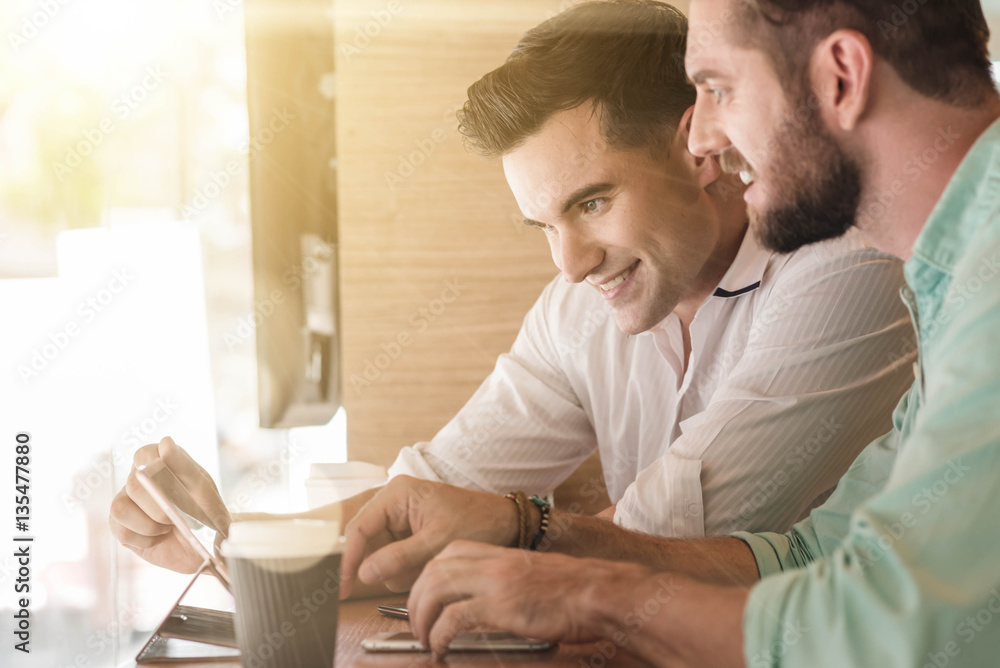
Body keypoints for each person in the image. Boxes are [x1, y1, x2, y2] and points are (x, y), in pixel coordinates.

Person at [110, 1, 914, 576]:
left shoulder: (846, 269)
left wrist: (503, 531)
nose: (569, 264)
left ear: (699, 147)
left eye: (591, 203)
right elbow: (430, 492)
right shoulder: (578, 311)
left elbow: (675, 535)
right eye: (543, 226)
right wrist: (232, 544)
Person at [354, 0, 1000, 666]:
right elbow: (816, 557)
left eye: (719, 91)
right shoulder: (953, 278)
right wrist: (536, 535)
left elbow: (888, 632)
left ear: (841, 75)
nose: (703, 140)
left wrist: (597, 595)